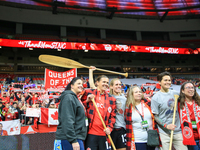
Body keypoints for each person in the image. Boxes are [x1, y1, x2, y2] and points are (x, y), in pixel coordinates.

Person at [151, 72, 188, 150]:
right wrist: (166, 126)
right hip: (164, 132)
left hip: (177, 131)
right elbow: (155, 116)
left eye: (169, 80)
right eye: (165, 80)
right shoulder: (156, 97)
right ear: (159, 82)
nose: (168, 82)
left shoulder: (175, 93)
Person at [81, 74, 116, 150]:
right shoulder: (88, 92)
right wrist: (87, 100)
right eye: (103, 82)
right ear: (97, 83)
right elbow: (80, 106)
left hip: (104, 134)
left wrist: (109, 128)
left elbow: (112, 117)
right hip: (90, 134)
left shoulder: (111, 99)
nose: (105, 84)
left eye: (107, 82)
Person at [55, 77, 87, 150]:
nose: (81, 86)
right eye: (78, 83)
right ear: (71, 86)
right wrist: (73, 140)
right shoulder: (68, 97)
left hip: (75, 137)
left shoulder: (74, 98)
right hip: (70, 139)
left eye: (82, 84)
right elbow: (67, 120)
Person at [178, 81, 200, 150]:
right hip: (189, 138)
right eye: (188, 88)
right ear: (183, 91)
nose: (191, 89)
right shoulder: (178, 104)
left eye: (192, 88)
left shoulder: (198, 102)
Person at [109, 78, 127, 150]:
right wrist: (91, 72)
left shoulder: (124, 99)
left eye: (120, 84)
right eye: (116, 84)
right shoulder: (108, 97)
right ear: (111, 86)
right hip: (110, 130)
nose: (119, 86)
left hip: (121, 129)